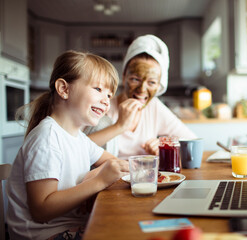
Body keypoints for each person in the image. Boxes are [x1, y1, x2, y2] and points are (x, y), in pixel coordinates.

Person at [6, 50, 129, 240]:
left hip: (69, 227)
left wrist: (90, 181)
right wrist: (97, 182)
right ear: (64, 89)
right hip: (44, 234)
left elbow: (114, 164)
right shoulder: (47, 139)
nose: (106, 101)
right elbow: (42, 210)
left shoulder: (78, 138)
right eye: (98, 89)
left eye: (109, 95)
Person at [84, 34, 196, 158]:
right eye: (135, 79)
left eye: (151, 82)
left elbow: (192, 142)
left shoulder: (154, 107)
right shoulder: (104, 106)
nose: (142, 89)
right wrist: (120, 126)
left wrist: (164, 145)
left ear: (159, 85)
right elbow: (77, 148)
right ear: (124, 76)